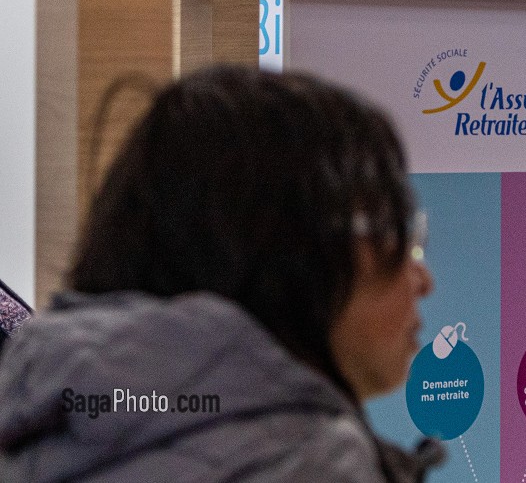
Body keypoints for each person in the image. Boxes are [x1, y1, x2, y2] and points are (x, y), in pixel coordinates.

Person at [0, 66, 443, 482]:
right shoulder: (312, 463)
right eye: (390, 231)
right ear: (288, 257)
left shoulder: (36, 410)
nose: (422, 279)